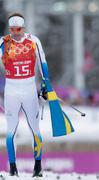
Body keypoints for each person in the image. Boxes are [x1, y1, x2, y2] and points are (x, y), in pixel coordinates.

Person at [0, 13, 49, 177]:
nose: (15, 32)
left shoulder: (33, 40)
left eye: (18, 29)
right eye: (12, 29)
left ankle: (38, 166)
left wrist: (45, 84)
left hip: (29, 89)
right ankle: (13, 169)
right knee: (11, 130)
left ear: (24, 27)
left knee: (35, 129)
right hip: (11, 90)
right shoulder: (3, 42)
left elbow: (43, 63)